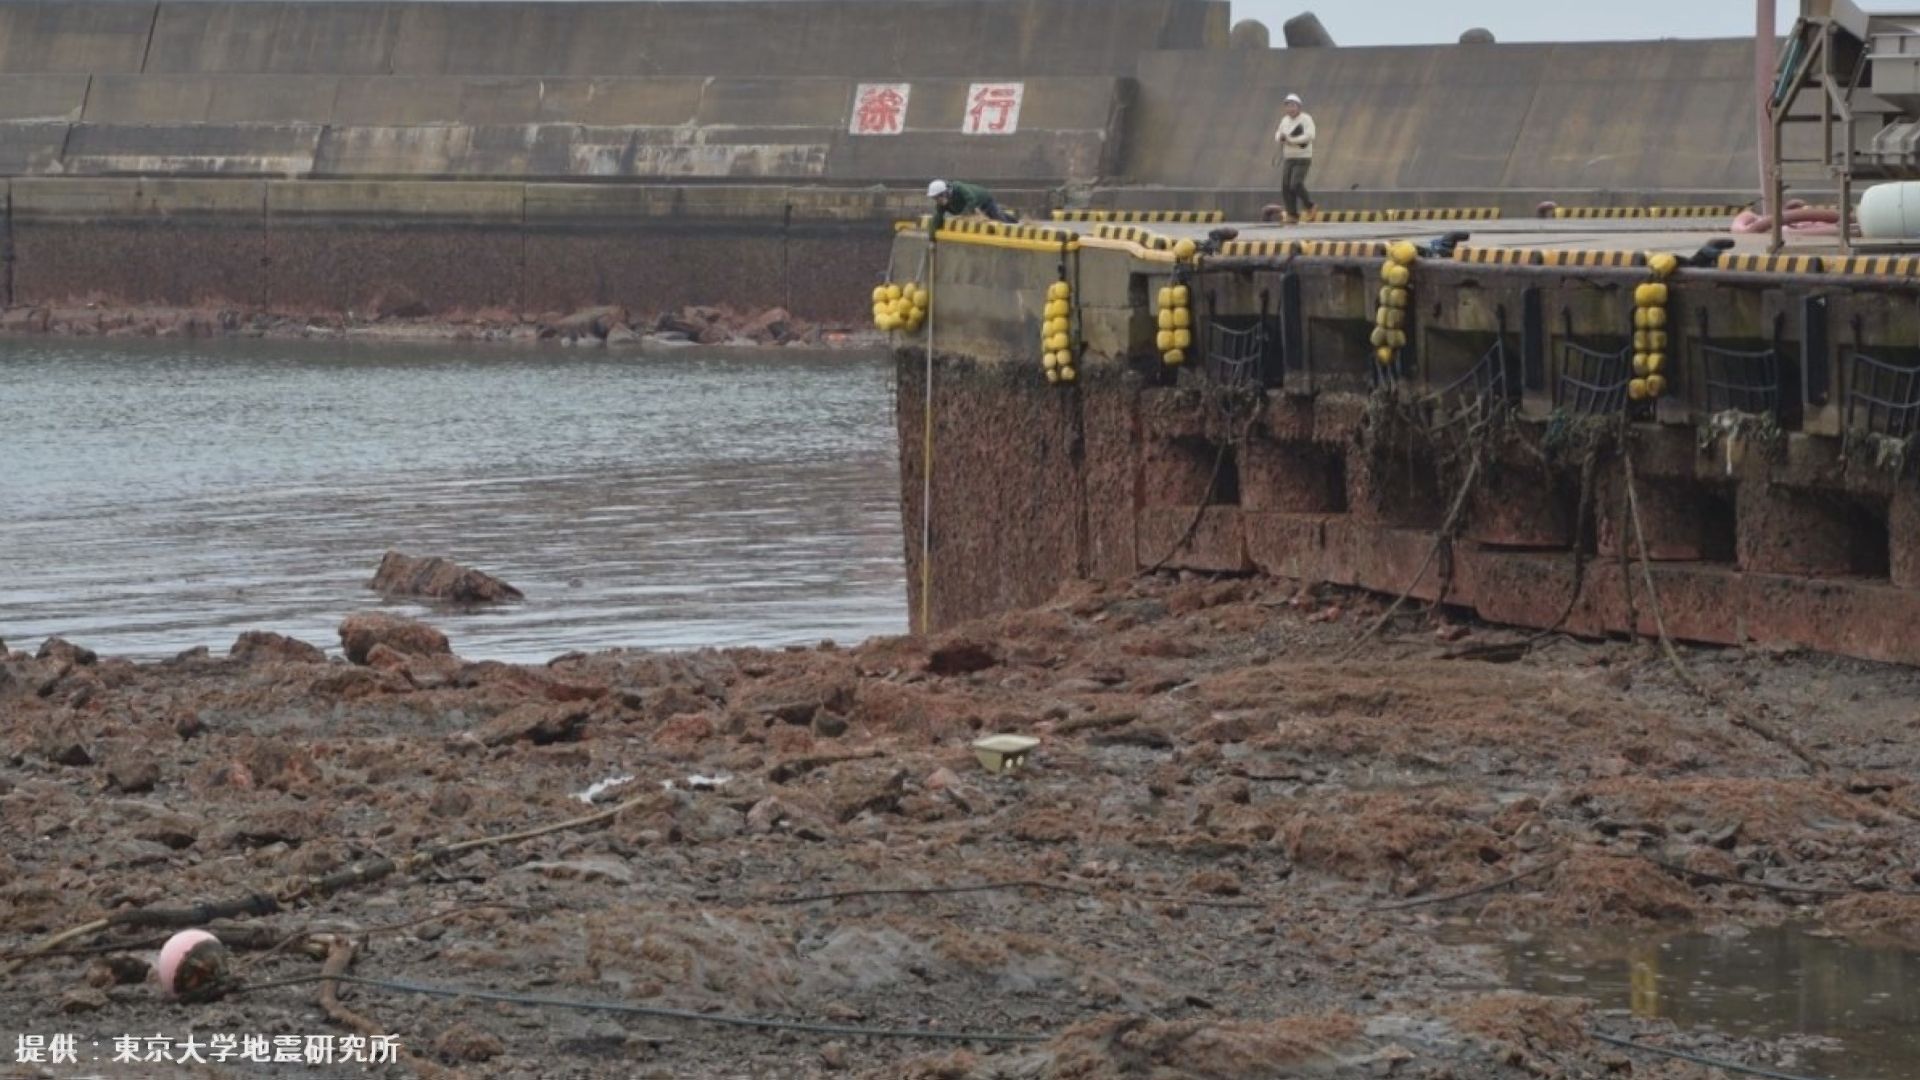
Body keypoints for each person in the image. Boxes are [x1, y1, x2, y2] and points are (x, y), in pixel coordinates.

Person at [1272, 94, 1317, 224]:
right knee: (1286, 186)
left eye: (1293, 106)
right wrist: (1280, 137)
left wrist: (1291, 140)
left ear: (1299, 107)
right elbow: (1278, 133)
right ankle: (1292, 215)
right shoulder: (1284, 120)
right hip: (1289, 157)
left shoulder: (1306, 119)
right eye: (1288, 106)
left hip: (1303, 157)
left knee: (1295, 183)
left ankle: (1310, 206)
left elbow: (1310, 135)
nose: (1290, 109)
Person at [927, 179, 1018, 234]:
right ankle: (1013, 219)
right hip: (973, 208)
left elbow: (972, 200)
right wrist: (932, 237)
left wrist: (962, 215)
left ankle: (1015, 225)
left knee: (998, 219)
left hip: (984, 200)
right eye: (934, 198)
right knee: (992, 217)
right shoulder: (941, 204)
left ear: (944, 193)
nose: (937, 201)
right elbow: (937, 217)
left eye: (937, 198)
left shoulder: (959, 188)